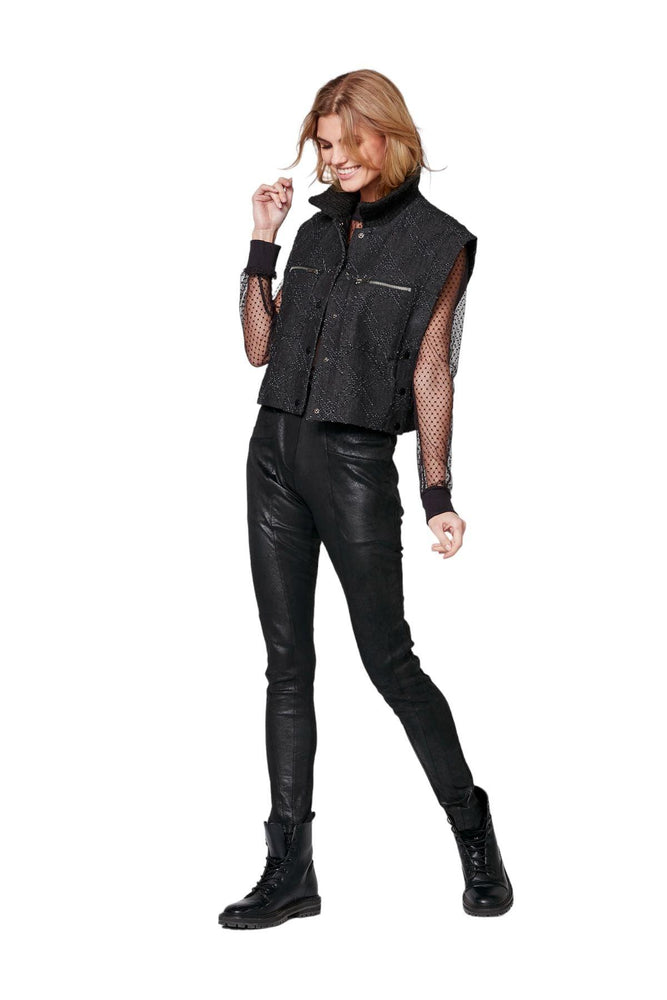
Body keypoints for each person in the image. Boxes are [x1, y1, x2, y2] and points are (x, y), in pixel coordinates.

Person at [219, 69, 513, 929]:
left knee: (389, 662)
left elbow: (432, 370)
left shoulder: (438, 242)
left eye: (351, 142)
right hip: (273, 453)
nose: (335, 159)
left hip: (353, 464)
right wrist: (262, 240)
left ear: (391, 136)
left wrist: (436, 493)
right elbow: (258, 347)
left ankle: (472, 830)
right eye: (324, 144)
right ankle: (289, 868)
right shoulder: (313, 230)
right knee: (286, 663)